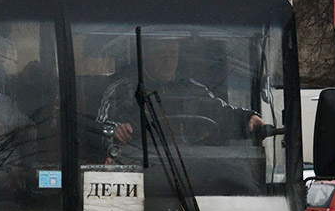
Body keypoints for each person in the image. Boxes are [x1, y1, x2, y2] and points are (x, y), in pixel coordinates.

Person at [96, 36, 263, 162]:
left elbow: (222, 113)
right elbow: (97, 129)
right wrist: (116, 130)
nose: (168, 61)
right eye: (160, 55)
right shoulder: (122, 89)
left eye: (173, 54)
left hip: (188, 170)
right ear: (146, 57)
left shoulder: (193, 89)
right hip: (141, 166)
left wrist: (248, 118)